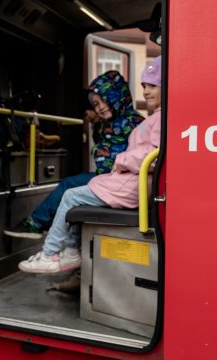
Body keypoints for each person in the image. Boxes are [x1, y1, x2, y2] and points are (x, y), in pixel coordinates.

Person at [18, 56, 162, 273]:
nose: (146, 91)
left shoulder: (143, 121)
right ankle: (71, 252)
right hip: (126, 181)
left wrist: (119, 160)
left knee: (71, 193)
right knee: (77, 192)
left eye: (152, 85)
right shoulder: (141, 121)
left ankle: (50, 252)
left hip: (130, 184)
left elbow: (150, 154)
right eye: (144, 86)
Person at [4, 70, 144, 239]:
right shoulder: (113, 122)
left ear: (115, 96)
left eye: (102, 102)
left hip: (120, 181)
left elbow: (132, 156)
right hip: (111, 178)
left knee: (69, 186)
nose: (98, 109)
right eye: (95, 105)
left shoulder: (131, 123)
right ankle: (65, 242)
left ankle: (37, 225)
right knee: (73, 186)